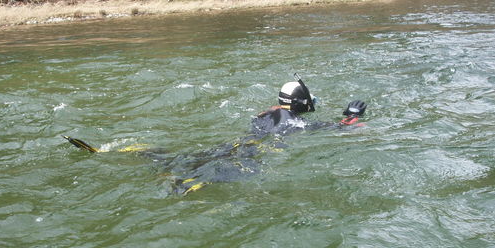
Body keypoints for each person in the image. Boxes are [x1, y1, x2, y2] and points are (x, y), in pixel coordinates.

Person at [64, 74, 367, 194]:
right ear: (303, 103)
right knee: (234, 172)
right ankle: (189, 184)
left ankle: (128, 152)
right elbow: (341, 129)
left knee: (185, 158)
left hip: (231, 145)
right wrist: (351, 117)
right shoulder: (296, 124)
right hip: (252, 154)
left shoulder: (266, 113)